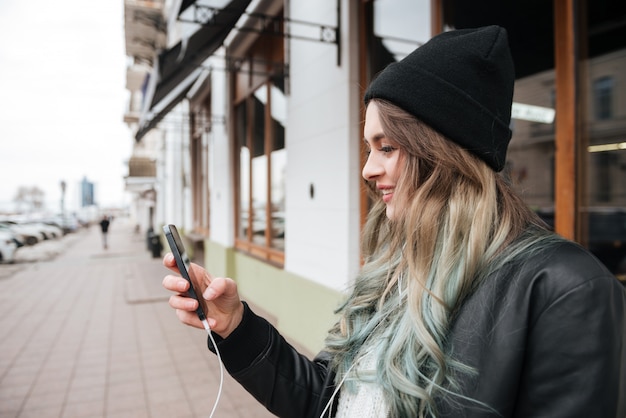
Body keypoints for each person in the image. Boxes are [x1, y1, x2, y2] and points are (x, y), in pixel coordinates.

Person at [162, 26, 626, 417]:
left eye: (387, 147)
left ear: (443, 152)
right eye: (369, 148)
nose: (368, 169)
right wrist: (236, 327)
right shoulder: (395, 265)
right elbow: (330, 401)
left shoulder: (566, 290)